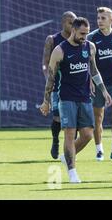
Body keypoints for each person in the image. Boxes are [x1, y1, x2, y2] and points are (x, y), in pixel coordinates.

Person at [40, 17, 112, 183]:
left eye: (86, 33)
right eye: (81, 33)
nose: (84, 37)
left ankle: (67, 157)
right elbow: (50, 78)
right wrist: (46, 101)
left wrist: (104, 90)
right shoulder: (59, 50)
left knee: (88, 135)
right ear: (73, 30)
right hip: (66, 98)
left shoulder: (90, 47)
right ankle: (72, 172)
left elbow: (94, 71)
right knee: (70, 135)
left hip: (85, 98)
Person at [87, 7, 112, 161]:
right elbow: (87, 62)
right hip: (97, 83)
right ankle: (99, 150)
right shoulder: (91, 38)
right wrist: (89, 79)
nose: (100, 21)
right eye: (98, 18)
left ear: (111, 20)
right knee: (98, 117)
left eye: (103, 18)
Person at [42, 11, 76, 159]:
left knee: (76, 119)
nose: (73, 25)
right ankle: (55, 141)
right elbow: (45, 63)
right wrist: (48, 77)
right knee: (58, 118)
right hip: (58, 85)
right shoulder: (52, 39)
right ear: (63, 23)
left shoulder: (79, 39)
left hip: (76, 85)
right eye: (70, 22)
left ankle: (71, 149)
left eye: (74, 22)